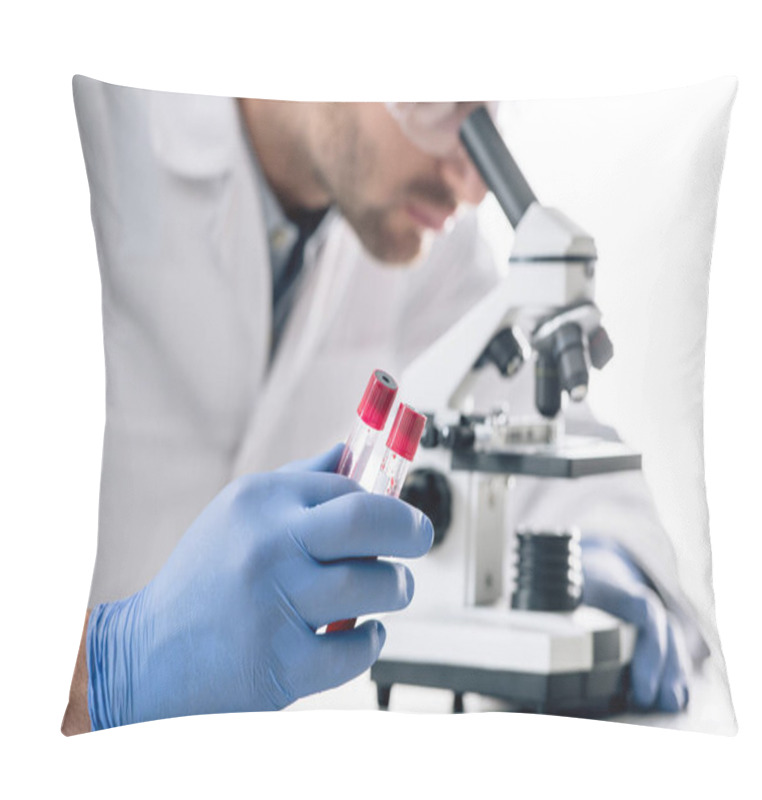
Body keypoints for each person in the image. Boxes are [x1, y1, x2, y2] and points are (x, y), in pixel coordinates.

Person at [62, 78, 702, 733]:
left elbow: (565, 461)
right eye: (445, 95)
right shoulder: (84, 129)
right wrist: (112, 671)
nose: (475, 181)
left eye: (487, 107)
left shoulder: (428, 247)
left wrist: (615, 562)